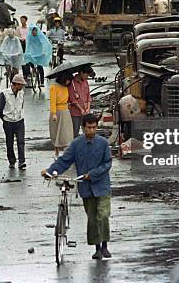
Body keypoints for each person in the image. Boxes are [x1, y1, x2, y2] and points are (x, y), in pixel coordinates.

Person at [41, 114, 112, 260]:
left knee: (103, 214)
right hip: (85, 187)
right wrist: (50, 171)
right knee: (92, 218)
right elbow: (64, 161)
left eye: (94, 127)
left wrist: (92, 174)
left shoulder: (103, 143)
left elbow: (107, 164)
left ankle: (105, 245)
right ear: (83, 127)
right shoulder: (76, 144)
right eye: (88, 128)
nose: (91, 131)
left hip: (102, 186)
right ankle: (97, 248)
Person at [0, 74, 27, 169]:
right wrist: (5, 118)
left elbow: (22, 105)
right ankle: (12, 160)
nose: (22, 87)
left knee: (21, 141)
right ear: (16, 84)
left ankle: (22, 161)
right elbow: (0, 109)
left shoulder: (21, 93)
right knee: (9, 142)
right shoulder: (4, 94)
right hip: (8, 122)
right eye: (21, 85)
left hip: (19, 120)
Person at [50, 72, 73, 156]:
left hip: (66, 111)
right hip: (57, 111)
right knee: (56, 131)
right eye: (67, 80)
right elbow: (52, 102)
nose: (68, 82)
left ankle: (67, 149)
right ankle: (56, 149)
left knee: (66, 132)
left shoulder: (66, 88)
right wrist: (54, 113)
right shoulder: (54, 87)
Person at [69, 66, 93, 138]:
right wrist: (81, 109)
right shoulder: (72, 83)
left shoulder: (85, 82)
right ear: (81, 73)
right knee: (75, 131)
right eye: (86, 74)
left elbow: (88, 95)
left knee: (87, 131)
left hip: (86, 111)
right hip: (75, 112)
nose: (87, 77)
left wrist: (88, 108)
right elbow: (73, 99)